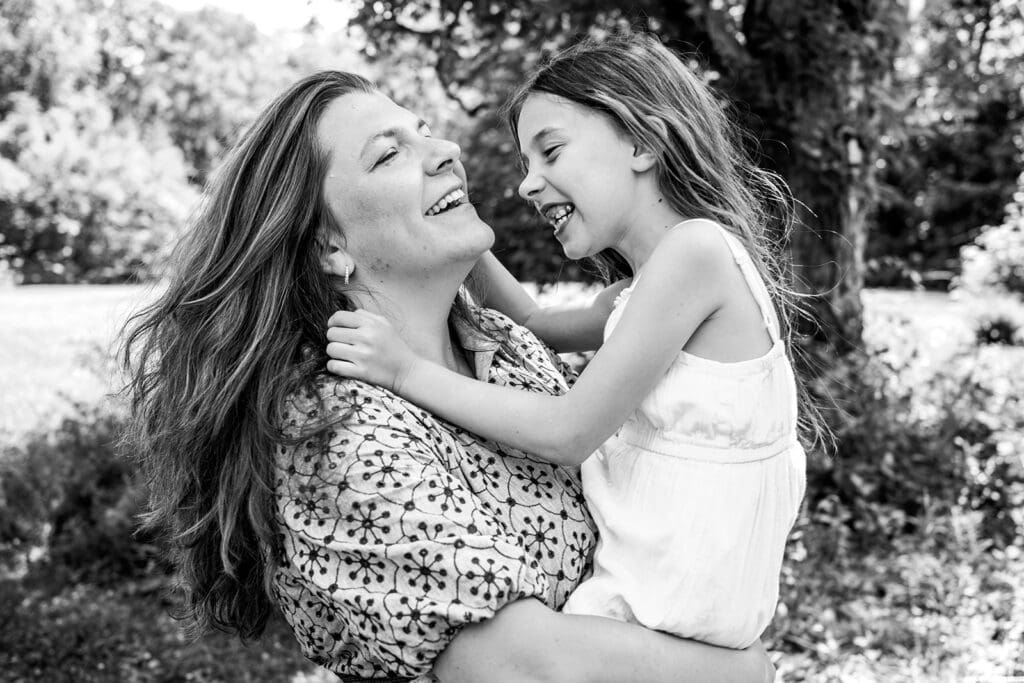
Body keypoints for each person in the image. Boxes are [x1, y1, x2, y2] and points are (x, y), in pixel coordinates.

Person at [121, 69, 775, 682]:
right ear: (328, 246)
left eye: (427, 131)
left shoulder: (503, 350)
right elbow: (529, 670)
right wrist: (746, 671)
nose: (447, 150)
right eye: (388, 154)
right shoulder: (339, 436)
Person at [325, 33, 814, 651]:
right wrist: (458, 227)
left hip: (662, 601)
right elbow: (533, 323)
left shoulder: (698, 253)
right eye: (528, 164)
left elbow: (567, 432)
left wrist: (404, 373)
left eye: (550, 152)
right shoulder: (643, 289)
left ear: (641, 142)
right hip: (657, 597)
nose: (530, 184)